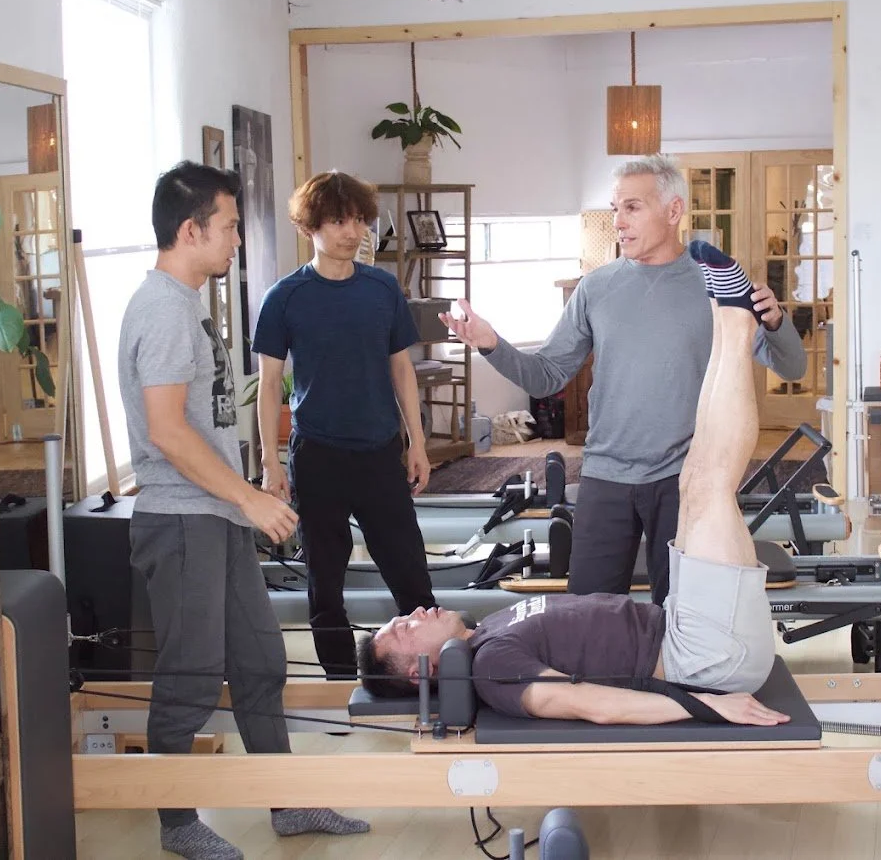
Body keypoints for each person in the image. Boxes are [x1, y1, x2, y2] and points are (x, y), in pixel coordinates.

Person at [359, 247, 791, 728]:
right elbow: (589, 704)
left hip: (686, 628)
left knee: (695, 478)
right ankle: (735, 319)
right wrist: (707, 705)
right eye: (405, 628)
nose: (414, 611)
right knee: (712, 485)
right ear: (425, 671)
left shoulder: (487, 634)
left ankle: (724, 311)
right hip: (706, 656)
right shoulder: (493, 668)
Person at [117, 161, 369, 860]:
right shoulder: (164, 309)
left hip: (216, 516)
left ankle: (285, 801)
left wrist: (247, 493)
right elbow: (167, 430)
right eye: (228, 226)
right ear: (191, 228)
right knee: (192, 671)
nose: (236, 240)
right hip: (183, 518)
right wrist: (250, 496)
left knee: (260, 662)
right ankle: (176, 822)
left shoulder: (186, 302)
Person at [440, 154, 806, 605]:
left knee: (684, 613)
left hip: (683, 476)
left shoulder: (716, 286)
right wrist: (490, 342)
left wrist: (775, 322)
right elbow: (546, 375)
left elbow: (792, 369)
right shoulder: (596, 288)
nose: (618, 221)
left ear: (673, 211)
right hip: (605, 475)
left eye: (632, 207)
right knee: (586, 614)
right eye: (615, 209)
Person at [252, 170, 438, 680]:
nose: (351, 232)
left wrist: (417, 442)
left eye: (358, 220)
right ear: (311, 226)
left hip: (380, 453)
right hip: (318, 458)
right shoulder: (284, 297)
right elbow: (270, 387)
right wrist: (271, 462)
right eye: (338, 221)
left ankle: (428, 676)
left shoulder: (382, 289)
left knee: (412, 577)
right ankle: (339, 685)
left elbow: (402, 367)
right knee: (325, 585)